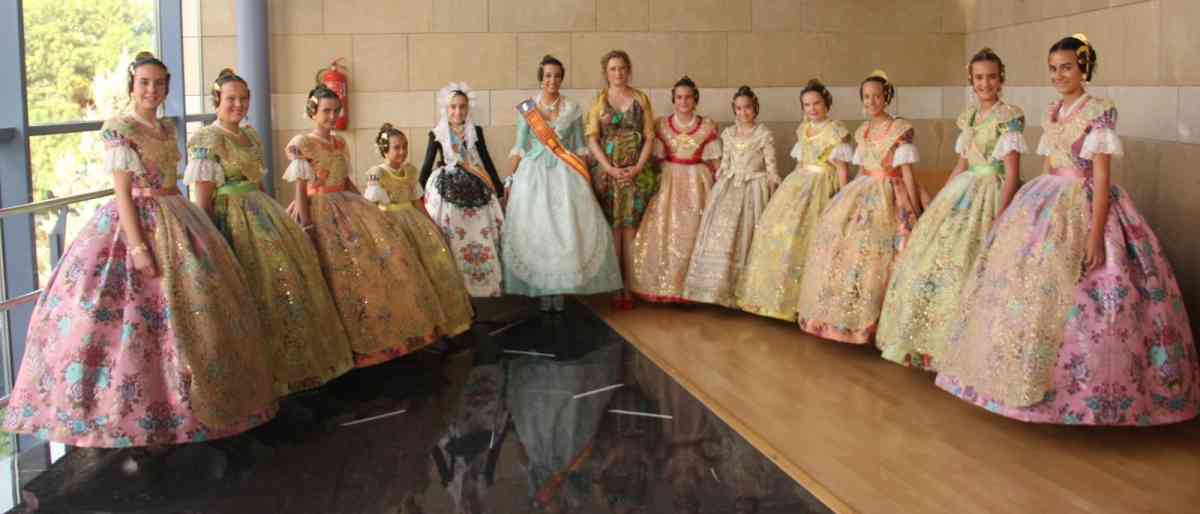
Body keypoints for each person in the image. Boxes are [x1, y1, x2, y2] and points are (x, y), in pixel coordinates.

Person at [1, 53, 277, 447]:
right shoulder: (119, 128)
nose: (152, 90)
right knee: (131, 319)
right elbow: (122, 193)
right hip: (134, 223)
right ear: (132, 86)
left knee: (189, 313)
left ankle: (185, 410)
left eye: (159, 83)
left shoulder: (166, 127)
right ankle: (130, 421)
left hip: (175, 215)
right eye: (145, 82)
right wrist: (136, 246)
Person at [936, 35, 1200, 425]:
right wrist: (1028, 212)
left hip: (1086, 202)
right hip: (1047, 200)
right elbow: (1049, 165)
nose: (1059, 75)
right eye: (1053, 69)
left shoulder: (1099, 111)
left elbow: (1102, 178)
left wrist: (1094, 237)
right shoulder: (1053, 110)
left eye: (1067, 68)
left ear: (1084, 69)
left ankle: (1089, 398)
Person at [185, 69, 353, 395]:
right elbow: (203, 199)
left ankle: (287, 369)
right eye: (231, 98)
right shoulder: (207, 139)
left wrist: (273, 213)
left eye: (243, 98)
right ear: (217, 100)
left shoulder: (250, 135)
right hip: (230, 218)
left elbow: (258, 182)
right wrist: (210, 239)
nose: (238, 104)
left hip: (260, 211)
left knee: (281, 284)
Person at [876, 49, 1026, 371]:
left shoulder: (1008, 117)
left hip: (992, 191)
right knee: (935, 260)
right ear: (971, 80)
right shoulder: (969, 117)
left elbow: (1012, 172)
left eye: (991, 77)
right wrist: (942, 199)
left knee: (975, 264)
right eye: (979, 78)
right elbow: (962, 163)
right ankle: (931, 343)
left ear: (1001, 79)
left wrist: (1002, 215)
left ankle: (971, 349)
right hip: (965, 189)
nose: (985, 83)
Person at [285, 85, 445, 367]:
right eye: (326, 111)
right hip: (317, 209)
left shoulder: (339, 143)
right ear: (313, 111)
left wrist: (364, 207)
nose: (332, 116)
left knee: (366, 267)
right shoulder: (303, 143)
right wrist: (306, 223)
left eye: (335, 111)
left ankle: (370, 338)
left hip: (345, 204)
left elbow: (345, 180)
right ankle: (338, 345)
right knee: (331, 272)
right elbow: (300, 187)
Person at [796, 70, 926, 344]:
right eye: (866, 97)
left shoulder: (899, 129)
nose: (871, 101)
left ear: (886, 97)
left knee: (880, 249)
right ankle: (845, 318)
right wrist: (845, 199)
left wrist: (916, 209)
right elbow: (861, 171)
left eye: (876, 96)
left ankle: (877, 322)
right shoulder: (863, 131)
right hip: (864, 189)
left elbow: (907, 173)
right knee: (842, 240)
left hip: (891, 191)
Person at [502, 55, 622, 311]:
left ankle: (561, 289)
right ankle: (544, 289)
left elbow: (579, 147)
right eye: (548, 75)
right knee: (538, 231)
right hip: (533, 174)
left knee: (566, 230)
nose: (552, 80)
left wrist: (590, 177)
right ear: (541, 78)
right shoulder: (528, 108)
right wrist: (509, 179)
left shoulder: (572, 108)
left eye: (557, 76)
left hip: (566, 174)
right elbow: (520, 146)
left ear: (561, 78)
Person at [736, 79, 852, 320]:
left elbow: (842, 169)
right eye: (807, 105)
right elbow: (801, 162)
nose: (812, 109)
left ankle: (804, 302)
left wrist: (842, 199)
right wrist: (790, 189)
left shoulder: (835, 130)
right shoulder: (804, 129)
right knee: (777, 229)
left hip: (822, 184)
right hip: (799, 182)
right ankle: (775, 298)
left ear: (826, 103)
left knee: (811, 236)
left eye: (816, 103)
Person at [363, 124, 474, 336]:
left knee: (431, 268)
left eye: (404, 146)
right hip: (390, 225)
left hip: (414, 223)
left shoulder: (411, 171)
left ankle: (437, 324)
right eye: (396, 147)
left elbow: (418, 203)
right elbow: (371, 208)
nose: (402, 151)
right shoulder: (377, 174)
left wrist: (432, 225)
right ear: (385, 149)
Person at [682, 86, 779, 307]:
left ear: (755, 108)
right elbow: (724, 164)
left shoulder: (764, 134)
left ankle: (745, 293)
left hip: (754, 187)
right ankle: (717, 289)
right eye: (738, 108)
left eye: (747, 108)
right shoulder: (728, 134)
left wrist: (773, 189)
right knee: (722, 233)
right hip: (729, 186)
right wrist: (719, 184)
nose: (743, 113)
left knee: (748, 234)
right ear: (734, 110)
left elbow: (771, 167)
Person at [629, 76, 721, 304]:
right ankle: (665, 286)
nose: (683, 101)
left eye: (688, 97)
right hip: (669, 182)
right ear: (673, 99)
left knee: (692, 232)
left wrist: (721, 187)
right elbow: (655, 159)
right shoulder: (661, 125)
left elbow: (715, 162)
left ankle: (692, 288)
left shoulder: (707, 126)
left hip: (697, 184)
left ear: (695, 99)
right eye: (679, 97)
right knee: (665, 230)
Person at [419, 82, 506, 297]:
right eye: (453, 107)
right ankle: (454, 283)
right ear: (446, 109)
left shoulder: (475, 131)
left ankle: (480, 280)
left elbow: (486, 159)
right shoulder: (437, 133)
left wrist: (498, 188)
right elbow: (426, 165)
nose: (458, 111)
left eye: (462, 106)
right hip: (446, 185)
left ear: (468, 108)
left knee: (480, 229)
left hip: (476, 183)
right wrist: (417, 196)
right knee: (451, 230)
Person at [586, 50, 656, 309]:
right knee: (614, 230)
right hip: (609, 174)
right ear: (606, 73)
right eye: (613, 69)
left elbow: (649, 137)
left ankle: (631, 285)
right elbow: (592, 139)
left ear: (629, 70)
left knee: (631, 230)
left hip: (636, 173)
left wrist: (637, 167)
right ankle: (616, 286)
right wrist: (609, 168)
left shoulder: (641, 98)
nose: (618, 73)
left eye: (622, 68)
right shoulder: (599, 101)